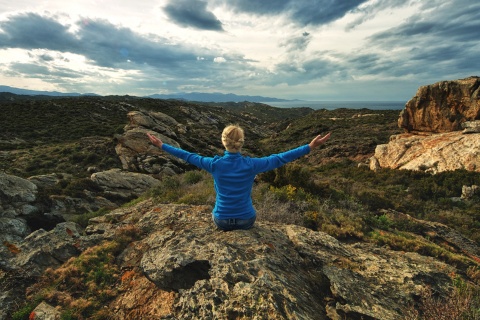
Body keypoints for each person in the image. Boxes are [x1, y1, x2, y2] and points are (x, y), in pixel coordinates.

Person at [147, 125, 331, 231]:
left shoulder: (214, 164)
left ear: (223, 142)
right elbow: (280, 158)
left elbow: (187, 155)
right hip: (246, 219)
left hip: (221, 220)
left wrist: (162, 145)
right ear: (242, 143)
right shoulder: (251, 165)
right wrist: (309, 147)